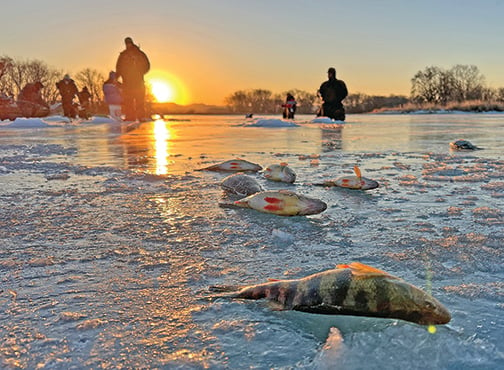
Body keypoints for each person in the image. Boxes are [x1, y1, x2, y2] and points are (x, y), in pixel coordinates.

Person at [115, 37, 150, 121]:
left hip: (137, 81)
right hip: (128, 82)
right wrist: (117, 77)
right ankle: (131, 117)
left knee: (139, 100)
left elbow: (147, 66)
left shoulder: (139, 54)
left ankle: (140, 116)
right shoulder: (123, 55)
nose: (128, 45)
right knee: (129, 101)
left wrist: (140, 72)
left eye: (128, 43)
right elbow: (119, 67)